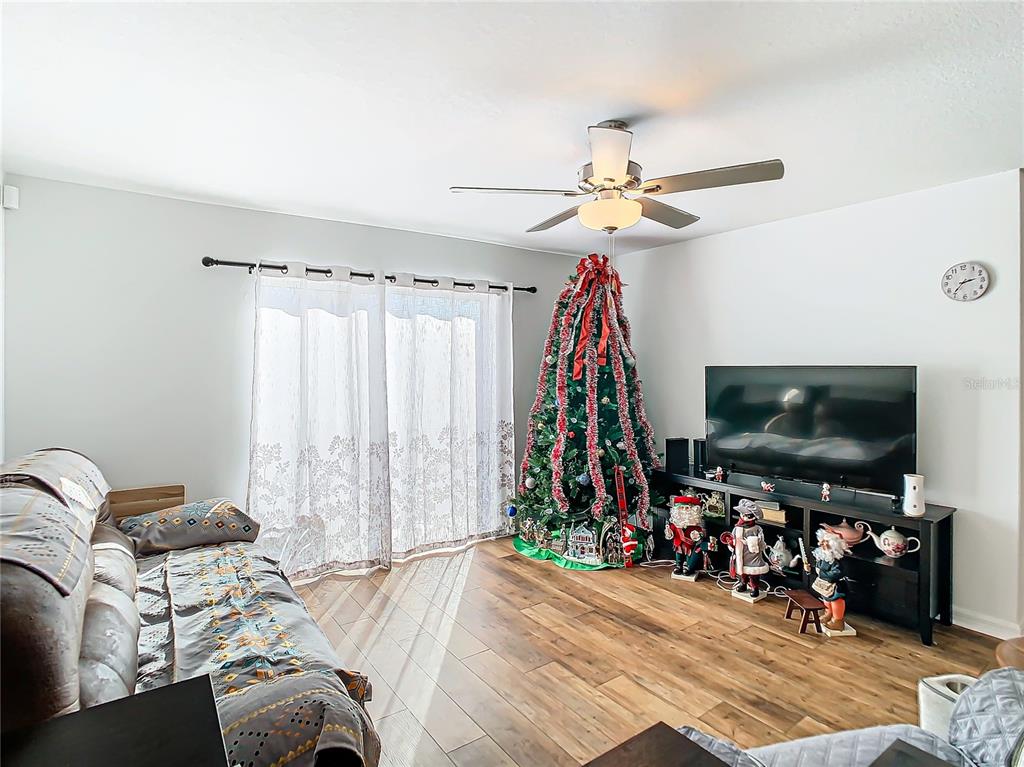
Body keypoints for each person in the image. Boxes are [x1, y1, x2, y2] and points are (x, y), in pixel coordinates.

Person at [806, 527, 850, 630]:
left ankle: (837, 620)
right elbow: (818, 571)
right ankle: (828, 614)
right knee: (826, 600)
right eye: (822, 541)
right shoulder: (823, 558)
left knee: (836, 601)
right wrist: (810, 569)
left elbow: (836, 573)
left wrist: (821, 573)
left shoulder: (836, 561)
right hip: (825, 586)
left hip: (835, 587)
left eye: (826, 542)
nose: (822, 544)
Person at [729, 499, 769, 597]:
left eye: (747, 515)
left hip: (753, 555)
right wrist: (731, 543)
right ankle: (743, 583)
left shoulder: (757, 529)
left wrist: (750, 541)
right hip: (741, 554)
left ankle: (754, 587)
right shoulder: (737, 528)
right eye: (742, 514)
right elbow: (732, 538)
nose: (744, 517)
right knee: (742, 571)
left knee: (754, 573)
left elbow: (761, 541)